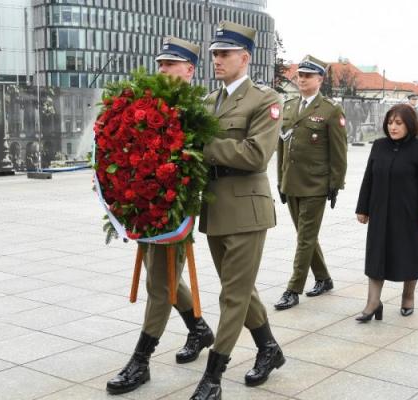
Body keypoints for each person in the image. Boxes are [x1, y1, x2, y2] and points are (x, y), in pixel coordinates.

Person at [106, 36, 215, 396]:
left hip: (176, 208)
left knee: (159, 285)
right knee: (163, 277)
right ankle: (198, 329)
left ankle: (141, 360)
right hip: (147, 205)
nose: (163, 69)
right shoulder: (147, 104)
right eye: (161, 64)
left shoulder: (196, 109)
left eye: (171, 64)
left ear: (189, 70)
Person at [191, 21, 285, 400]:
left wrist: (202, 144)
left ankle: (213, 378)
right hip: (215, 207)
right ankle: (269, 348)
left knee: (232, 295)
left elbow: (256, 154)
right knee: (241, 290)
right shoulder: (207, 101)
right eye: (214, 53)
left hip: (247, 210)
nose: (217, 59)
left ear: (244, 58)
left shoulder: (265, 99)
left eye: (225, 53)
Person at [274, 55, 347, 310]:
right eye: (300, 75)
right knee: (306, 235)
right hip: (291, 182)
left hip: (316, 184)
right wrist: (280, 180)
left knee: (305, 238)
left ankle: (293, 289)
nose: (302, 79)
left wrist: (335, 185)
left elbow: (339, 152)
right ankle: (324, 278)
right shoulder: (289, 106)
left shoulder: (330, 110)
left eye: (308, 76)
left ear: (320, 79)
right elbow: (282, 147)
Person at [354, 104, 418, 321]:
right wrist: (363, 208)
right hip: (380, 212)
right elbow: (368, 178)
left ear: (410, 124)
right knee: (376, 256)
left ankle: (408, 296)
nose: (393, 127)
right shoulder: (379, 146)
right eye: (390, 122)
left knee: (410, 255)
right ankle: (373, 303)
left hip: (410, 215)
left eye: (398, 123)